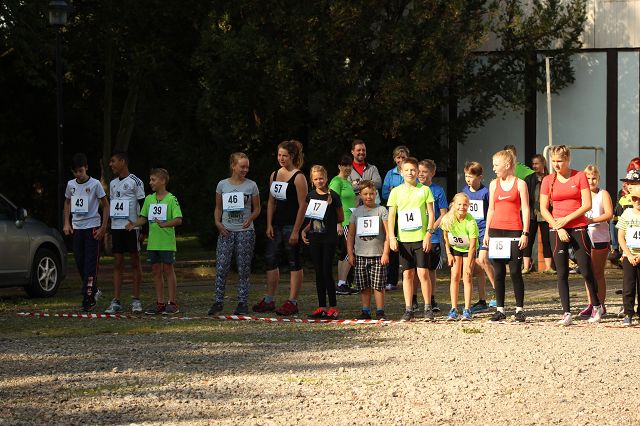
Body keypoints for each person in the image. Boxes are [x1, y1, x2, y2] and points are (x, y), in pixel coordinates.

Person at [539, 145, 604, 325]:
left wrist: (566, 220)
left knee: (585, 269)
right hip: (557, 228)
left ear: (568, 159)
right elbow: (543, 208)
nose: (556, 165)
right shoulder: (548, 180)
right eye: (554, 161)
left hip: (578, 226)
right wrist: (557, 227)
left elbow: (587, 205)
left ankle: (597, 306)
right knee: (561, 272)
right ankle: (566, 312)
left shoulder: (579, 176)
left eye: (560, 161)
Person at [253, 140, 308, 316]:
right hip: (276, 225)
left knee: (294, 261)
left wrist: (296, 230)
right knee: (270, 259)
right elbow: (271, 201)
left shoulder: (299, 177)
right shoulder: (275, 175)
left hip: (292, 225)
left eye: (285, 155)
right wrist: (269, 224)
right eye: (279, 155)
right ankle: (269, 299)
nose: (281, 158)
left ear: (292, 156)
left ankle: (292, 301)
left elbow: (303, 206)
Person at [207, 153, 260, 316]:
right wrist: (217, 223)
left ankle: (242, 302)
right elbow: (218, 207)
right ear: (233, 166)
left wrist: (250, 218)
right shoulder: (222, 185)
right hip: (226, 231)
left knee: (243, 268)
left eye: (247, 167)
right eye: (242, 166)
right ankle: (218, 301)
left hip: (245, 232)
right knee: (222, 267)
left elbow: (257, 208)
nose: (245, 169)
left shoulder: (251, 185)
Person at [125, 168, 183, 315]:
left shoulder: (171, 199)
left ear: (163, 181)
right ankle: (160, 302)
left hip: (167, 243)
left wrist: (165, 224)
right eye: (150, 180)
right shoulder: (149, 199)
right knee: (156, 271)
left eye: (153, 180)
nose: (150, 182)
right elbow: (143, 217)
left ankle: (173, 302)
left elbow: (178, 220)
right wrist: (134, 224)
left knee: (168, 270)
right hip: (153, 243)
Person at [387, 157, 435, 321]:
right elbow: (391, 216)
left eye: (413, 170)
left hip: (421, 239)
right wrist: (392, 237)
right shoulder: (395, 192)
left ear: (417, 172)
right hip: (403, 239)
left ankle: (428, 307)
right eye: (406, 170)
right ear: (401, 172)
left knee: (423, 273)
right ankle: (409, 309)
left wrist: (429, 233)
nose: (410, 173)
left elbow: (431, 213)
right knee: (407, 274)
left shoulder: (424, 190)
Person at [484, 150, 529, 323]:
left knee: (516, 271)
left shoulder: (520, 184)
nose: (494, 168)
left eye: (496, 165)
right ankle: (500, 309)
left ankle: (519, 309)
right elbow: (491, 209)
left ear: (507, 165)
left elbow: (525, 209)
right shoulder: (493, 184)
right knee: (499, 272)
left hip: (514, 231)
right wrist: (487, 232)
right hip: (496, 231)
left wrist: (525, 232)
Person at [63, 153, 109, 312]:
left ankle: (88, 298)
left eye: (81, 171)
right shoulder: (70, 185)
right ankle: (94, 289)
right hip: (77, 228)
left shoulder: (95, 184)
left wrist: (103, 227)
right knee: (79, 262)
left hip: (92, 227)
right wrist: (66, 222)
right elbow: (67, 202)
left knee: (90, 264)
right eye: (75, 172)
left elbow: (106, 205)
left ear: (86, 168)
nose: (78, 175)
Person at [105, 151, 146, 314]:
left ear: (123, 161)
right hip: (117, 228)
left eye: (113, 161)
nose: (111, 164)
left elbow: (144, 205)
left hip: (132, 228)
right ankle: (116, 301)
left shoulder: (136, 181)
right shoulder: (113, 183)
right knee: (118, 262)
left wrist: (143, 229)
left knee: (135, 262)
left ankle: (136, 299)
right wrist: (109, 227)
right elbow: (113, 206)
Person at [301, 165, 344, 319]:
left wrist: (330, 210)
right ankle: (321, 306)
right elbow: (311, 219)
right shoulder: (310, 196)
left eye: (321, 178)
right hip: (315, 237)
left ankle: (333, 306)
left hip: (329, 238)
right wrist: (304, 230)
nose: (319, 181)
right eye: (316, 179)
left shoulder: (333, 196)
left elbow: (341, 217)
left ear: (326, 179)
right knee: (318, 272)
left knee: (326, 271)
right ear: (312, 181)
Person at [347, 180, 390, 320]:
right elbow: (351, 235)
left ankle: (380, 311)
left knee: (378, 285)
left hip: (378, 254)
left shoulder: (382, 210)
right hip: (360, 254)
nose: (369, 197)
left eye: (371, 194)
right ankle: (365, 310)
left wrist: (386, 252)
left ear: (375, 194)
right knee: (364, 285)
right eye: (365, 194)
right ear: (360, 195)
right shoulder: (357, 212)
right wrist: (350, 253)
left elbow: (388, 233)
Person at [578, 164, 613, 317]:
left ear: (598, 178)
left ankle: (601, 304)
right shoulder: (580, 195)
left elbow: (609, 214)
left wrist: (591, 220)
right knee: (587, 273)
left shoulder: (603, 193)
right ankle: (592, 303)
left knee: (598, 272)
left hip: (600, 237)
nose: (591, 181)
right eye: (588, 178)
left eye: (594, 178)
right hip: (584, 236)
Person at [462, 161, 496, 313]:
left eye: (471, 176)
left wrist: (488, 232)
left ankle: (497, 291)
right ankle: (482, 300)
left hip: (484, 231)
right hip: (470, 233)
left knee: (483, 260)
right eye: (466, 176)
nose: (468, 179)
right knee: (477, 268)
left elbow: (491, 211)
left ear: (480, 177)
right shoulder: (464, 191)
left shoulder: (486, 193)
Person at [414, 159, 447, 312]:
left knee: (430, 269)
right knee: (415, 269)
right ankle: (413, 299)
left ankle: (432, 299)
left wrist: (431, 229)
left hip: (432, 237)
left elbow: (443, 214)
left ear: (432, 173)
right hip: (415, 235)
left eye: (425, 172)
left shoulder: (438, 190)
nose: (421, 174)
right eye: (419, 171)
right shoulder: (413, 189)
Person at [441, 193, 479, 321]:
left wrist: (469, 264)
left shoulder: (471, 221)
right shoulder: (448, 218)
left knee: (467, 276)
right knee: (455, 276)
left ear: (468, 206)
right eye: (459, 204)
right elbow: (445, 237)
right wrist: (449, 254)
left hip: (469, 250)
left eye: (465, 205)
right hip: (456, 248)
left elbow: (473, 245)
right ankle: (454, 308)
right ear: (454, 204)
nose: (462, 207)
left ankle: (467, 309)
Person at [381, 146, 410, 292]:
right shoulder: (389, 174)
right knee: (392, 246)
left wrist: (395, 191)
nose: (401, 160)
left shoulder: (411, 173)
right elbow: (385, 195)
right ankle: (392, 280)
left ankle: (408, 278)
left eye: (403, 157)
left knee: (406, 245)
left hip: (408, 214)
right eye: (398, 158)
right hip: (393, 214)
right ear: (395, 159)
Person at [329, 154, 357, 295]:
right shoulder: (336, 181)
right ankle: (341, 283)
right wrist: (337, 223)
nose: (347, 168)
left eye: (349, 165)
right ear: (339, 166)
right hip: (343, 221)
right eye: (344, 165)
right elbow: (332, 202)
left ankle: (342, 283)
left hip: (350, 221)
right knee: (348, 251)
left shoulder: (347, 181)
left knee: (344, 253)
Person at [523, 154, 555, 274]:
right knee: (529, 240)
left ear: (543, 163)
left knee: (547, 241)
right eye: (533, 164)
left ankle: (548, 267)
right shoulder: (529, 179)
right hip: (532, 214)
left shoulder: (550, 178)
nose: (534, 166)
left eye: (537, 163)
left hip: (546, 215)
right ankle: (526, 267)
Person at [615, 169, 640, 326]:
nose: (637, 201)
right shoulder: (627, 213)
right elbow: (620, 236)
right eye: (635, 198)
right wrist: (628, 253)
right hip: (629, 255)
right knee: (628, 285)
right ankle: (628, 313)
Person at [348, 139, 382, 205]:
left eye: (363, 150)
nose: (361, 152)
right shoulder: (348, 170)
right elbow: (349, 188)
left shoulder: (372, 168)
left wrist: (357, 183)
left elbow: (378, 184)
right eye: (358, 150)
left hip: (372, 207)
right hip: (355, 207)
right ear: (352, 152)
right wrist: (369, 183)